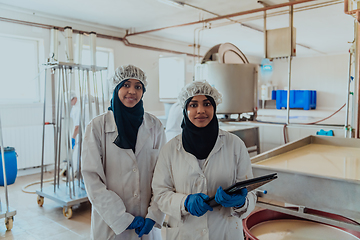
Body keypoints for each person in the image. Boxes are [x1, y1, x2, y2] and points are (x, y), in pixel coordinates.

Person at [152, 80, 256, 240]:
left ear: (214, 108)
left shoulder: (235, 145)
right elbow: (160, 193)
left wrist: (241, 202)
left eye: (207, 104)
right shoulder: (170, 149)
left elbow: (250, 192)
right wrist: (184, 203)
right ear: (185, 109)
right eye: (193, 105)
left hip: (225, 232)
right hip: (185, 233)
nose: (201, 110)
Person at [81, 65, 166, 240]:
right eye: (126, 85)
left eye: (138, 86)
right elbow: (92, 179)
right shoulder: (97, 127)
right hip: (111, 224)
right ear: (116, 88)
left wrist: (154, 214)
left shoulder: (154, 126)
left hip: (146, 220)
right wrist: (120, 217)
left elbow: (163, 176)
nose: (132, 91)